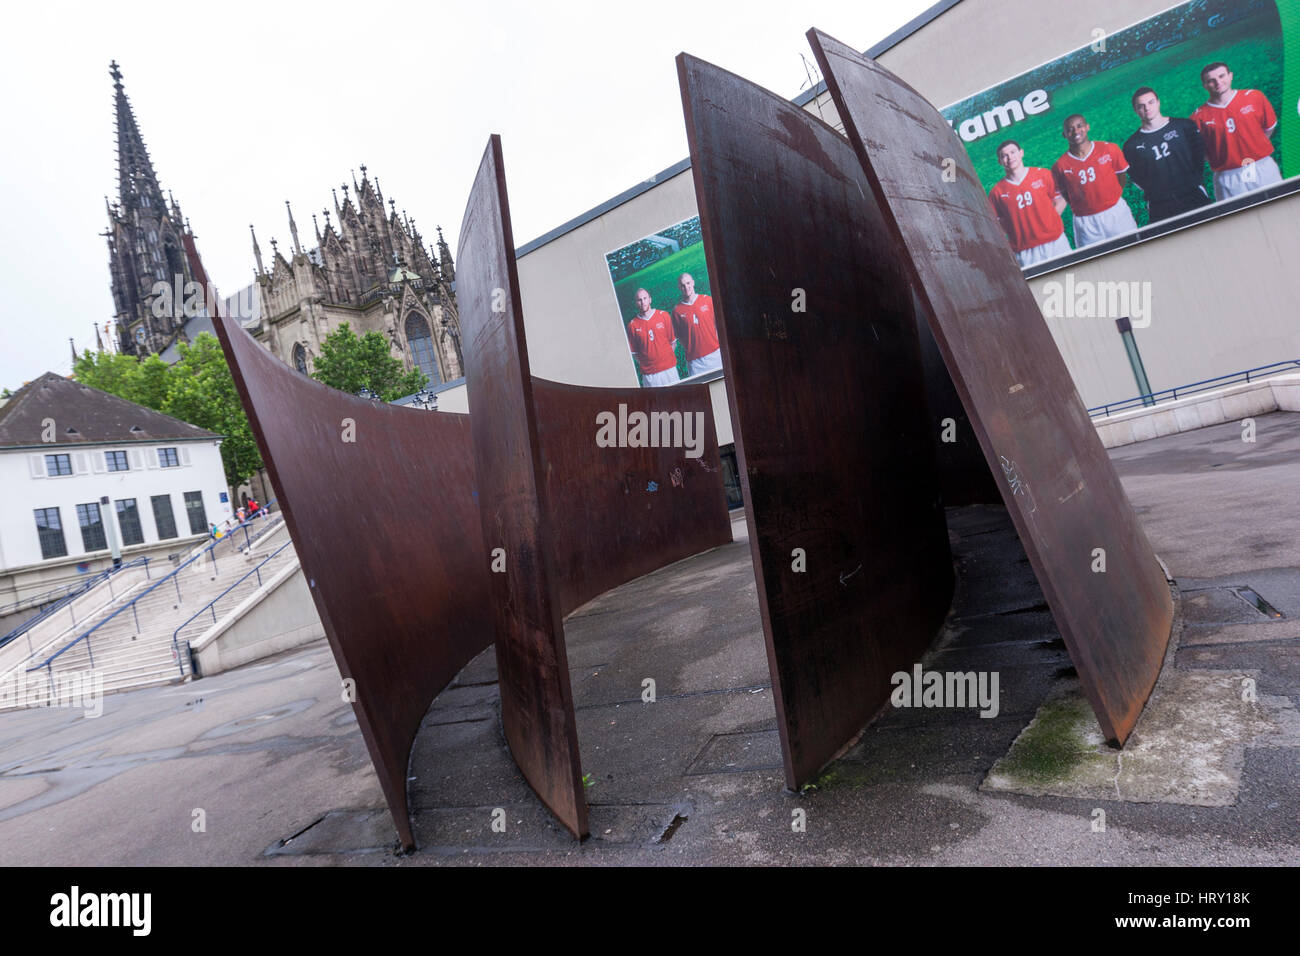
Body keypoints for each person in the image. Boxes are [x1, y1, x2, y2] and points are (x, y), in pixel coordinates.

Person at [1191, 62, 1280, 200]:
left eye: (1222, 76)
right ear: (1205, 85)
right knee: (1240, 218)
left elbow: (1269, 127)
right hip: (1228, 175)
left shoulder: (1254, 97)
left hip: (1262, 166)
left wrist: (1254, 144)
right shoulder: (1198, 117)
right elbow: (1200, 151)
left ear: (1230, 76)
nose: (1218, 82)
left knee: (1279, 209)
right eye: (1211, 81)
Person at [1123, 87, 1211, 223]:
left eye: (1151, 102)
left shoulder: (1183, 126)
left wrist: (1193, 180)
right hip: (1160, 203)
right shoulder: (1131, 145)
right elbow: (1136, 177)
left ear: (1158, 102)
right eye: (1141, 106)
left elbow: (1199, 155)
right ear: (1136, 110)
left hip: (1192, 193)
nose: (1147, 108)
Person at [1051, 114, 1138, 246]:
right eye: (1070, 129)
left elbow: (1121, 176)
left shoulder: (1109, 148)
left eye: (1079, 126)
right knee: (1094, 260)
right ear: (1065, 135)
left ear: (1087, 127)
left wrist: (1111, 196)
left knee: (1132, 249)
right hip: (1085, 221)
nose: (1075, 131)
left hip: (1115, 212)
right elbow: (1064, 193)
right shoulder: (1060, 166)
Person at [987, 140, 1072, 267]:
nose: (1010, 157)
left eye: (1013, 152)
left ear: (1021, 153)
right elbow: (997, 223)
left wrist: (1048, 221)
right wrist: (1016, 229)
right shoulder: (996, 192)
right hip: (1025, 251)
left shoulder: (1043, 174)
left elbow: (1060, 198)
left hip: (1055, 242)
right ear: (1000, 161)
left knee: (1073, 277)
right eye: (1004, 156)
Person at [625, 287, 681, 387]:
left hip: (669, 369)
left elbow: (673, 342)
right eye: (639, 300)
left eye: (645, 298)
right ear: (636, 303)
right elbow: (634, 353)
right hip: (650, 375)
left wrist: (664, 358)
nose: (643, 302)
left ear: (650, 299)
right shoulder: (632, 326)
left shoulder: (664, 316)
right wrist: (648, 364)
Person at [670, 273, 723, 376]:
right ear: (679, 287)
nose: (686, 287)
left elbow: (718, 325)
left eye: (688, 283)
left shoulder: (707, 300)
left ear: (693, 283)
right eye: (683, 285)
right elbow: (679, 336)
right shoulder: (677, 311)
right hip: (695, 362)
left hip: (715, 354)